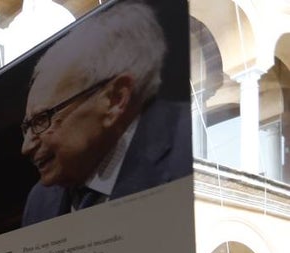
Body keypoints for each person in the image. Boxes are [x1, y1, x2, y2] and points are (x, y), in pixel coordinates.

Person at [19, 0, 190, 227]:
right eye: (27, 127)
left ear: (115, 99)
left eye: (42, 120)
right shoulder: (40, 199)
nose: (26, 147)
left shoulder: (186, 150)